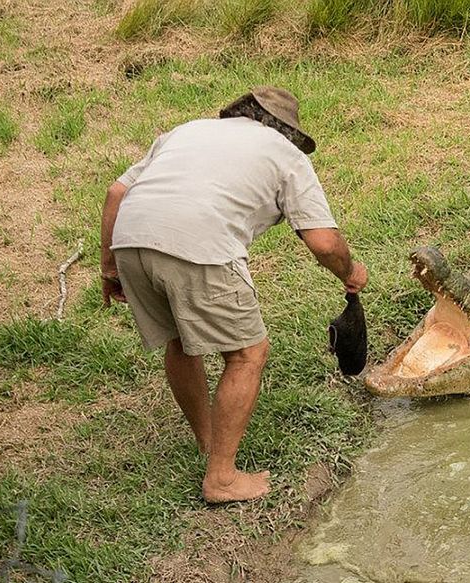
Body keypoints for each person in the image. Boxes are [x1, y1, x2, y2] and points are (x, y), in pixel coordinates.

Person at [100, 86, 368, 503]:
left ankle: (208, 444)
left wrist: (110, 268)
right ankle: (221, 478)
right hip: (198, 245)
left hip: (131, 238)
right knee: (247, 354)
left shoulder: (187, 131)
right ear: (287, 132)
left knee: (181, 342)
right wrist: (350, 272)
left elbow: (117, 193)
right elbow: (324, 243)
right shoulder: (286, 155)